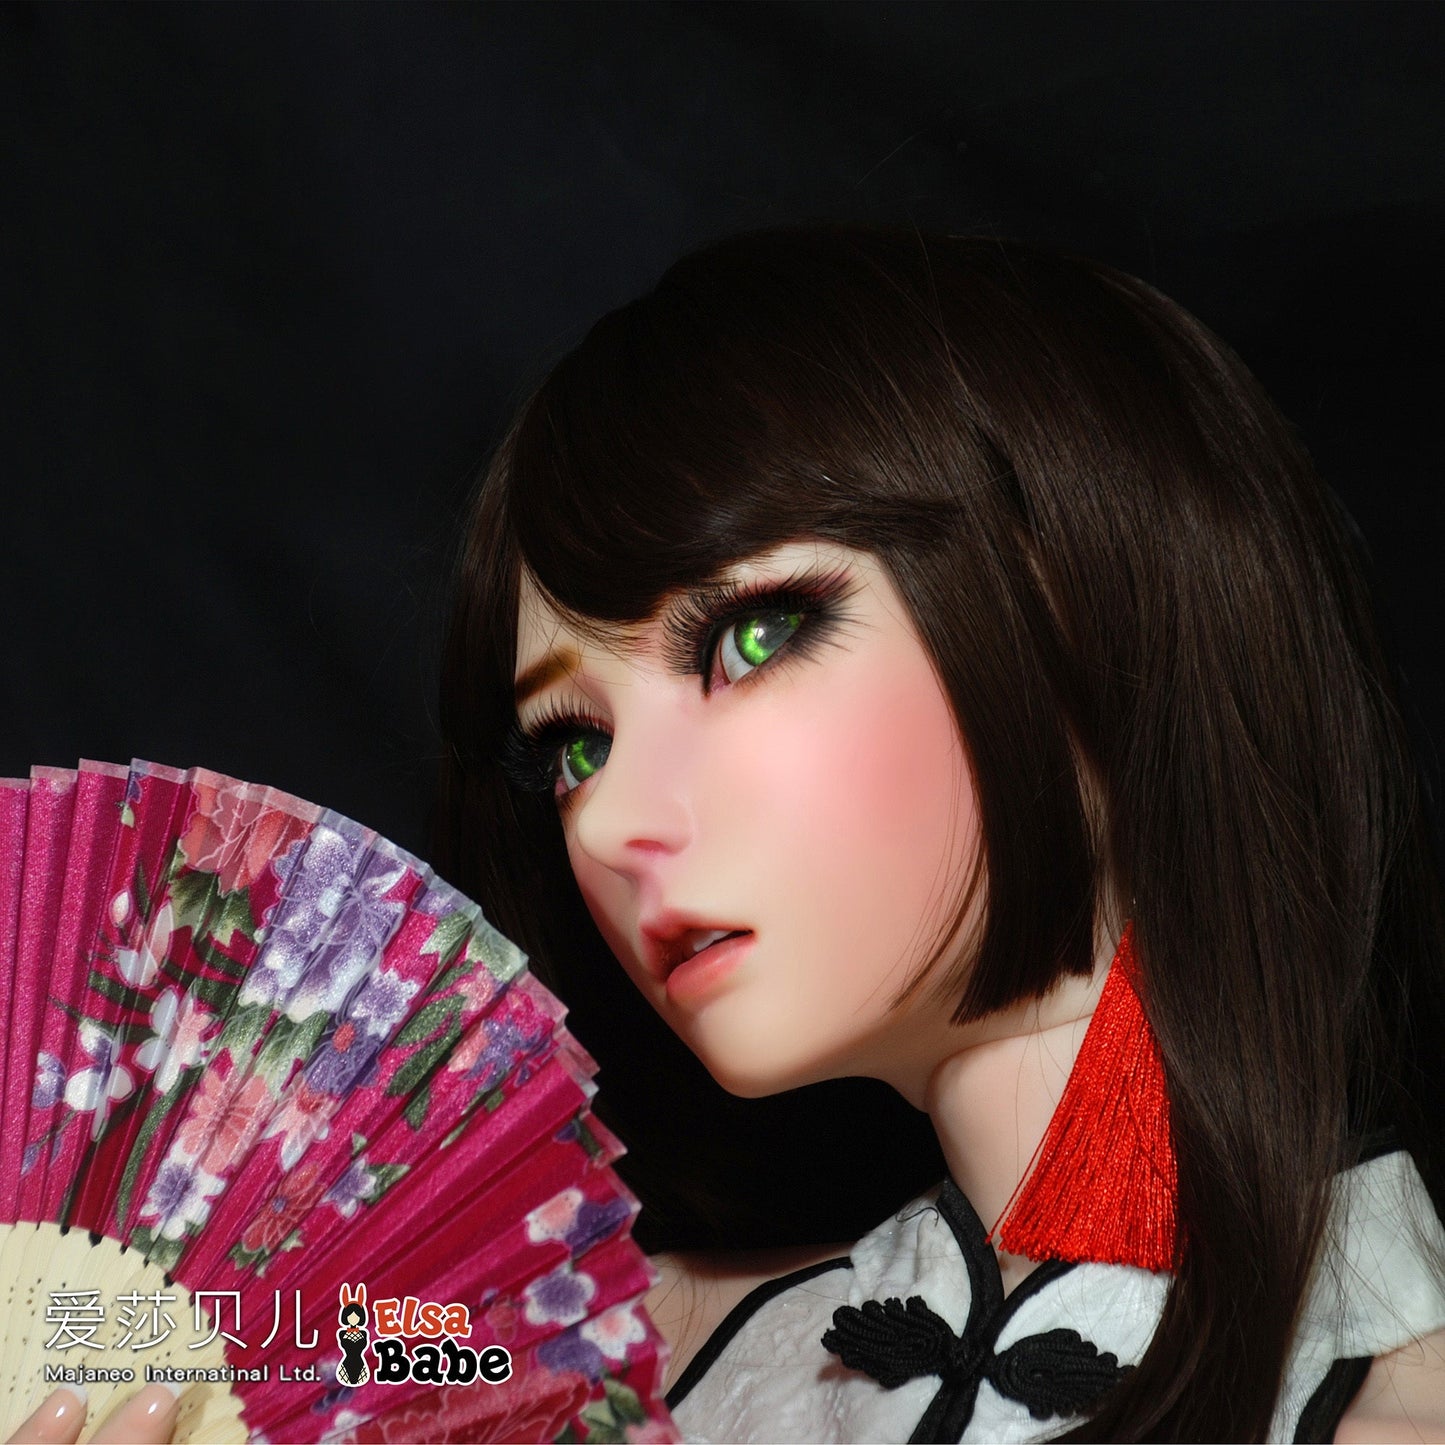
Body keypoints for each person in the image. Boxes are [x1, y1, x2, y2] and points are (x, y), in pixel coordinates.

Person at [433, 226, 1445, 1443]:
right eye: (573, 745)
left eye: (753, 634)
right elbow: (299, 1336)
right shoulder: (599, 1351)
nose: (607, 820)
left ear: (1081, 597)